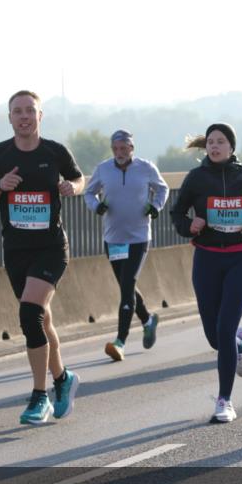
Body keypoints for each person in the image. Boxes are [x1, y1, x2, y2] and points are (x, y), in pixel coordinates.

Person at [0, 90, 84, 426]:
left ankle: (40, 397)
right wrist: (0, 186)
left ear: (40, 116)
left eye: (30, 111)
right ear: (9, 118)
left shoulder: (55, 152)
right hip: (16, 250)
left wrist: (72, 187)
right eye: (17, 111)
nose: (23, 116)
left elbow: (80, 179)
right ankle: (63, 379)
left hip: (51, 246)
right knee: (42, 319)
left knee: (29, 313)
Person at [169, 123, 242, 423]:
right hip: (207, 259)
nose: (215, 147)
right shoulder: (196, 178)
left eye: (221, 142)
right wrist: (187, 226)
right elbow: (177, 213)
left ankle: (224, 400)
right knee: (216, 338)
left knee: (225, 329)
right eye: (211, 142)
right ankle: (240, 344)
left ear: (231, 146)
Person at [85, 130, 168, 361]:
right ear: (112, 150)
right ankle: (148, 320)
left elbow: (163, 189)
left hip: (139, 237)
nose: (120, 153)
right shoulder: (103, 169)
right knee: (126, 286)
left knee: (127, 284)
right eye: (116, 149)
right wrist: (96, 206)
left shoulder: (146, 168)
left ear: (132, 148)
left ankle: (120, 341)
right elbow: (89, 193)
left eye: (124, 148)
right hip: (113, 239)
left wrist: (156, 206)